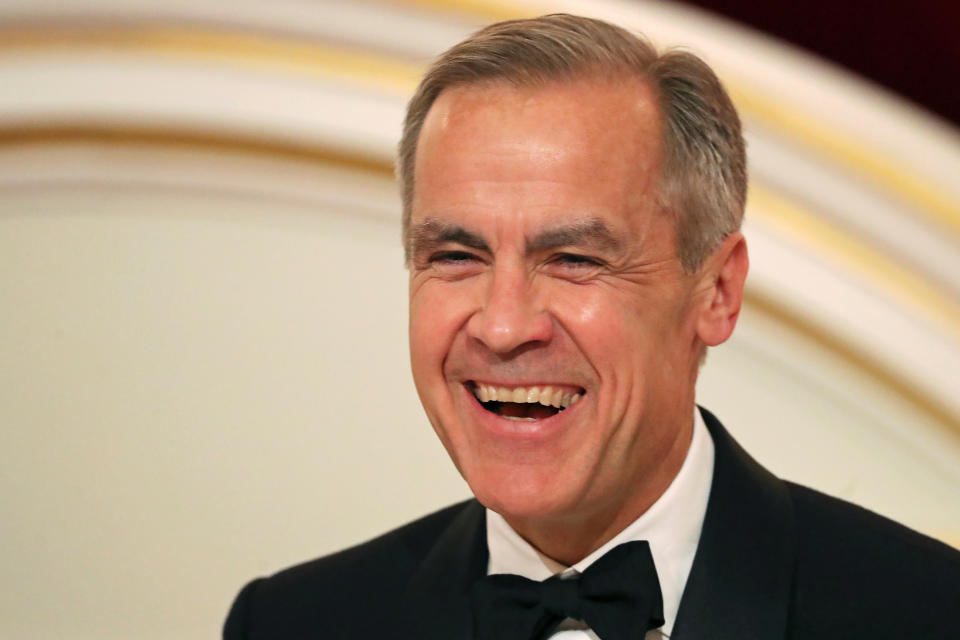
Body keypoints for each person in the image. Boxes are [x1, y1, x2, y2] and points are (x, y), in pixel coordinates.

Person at [223, 14, 960, 640]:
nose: (504, 327)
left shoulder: (926, 612)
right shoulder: (293, 622)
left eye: (574, 258)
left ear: (717, 292)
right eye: (455, 255)